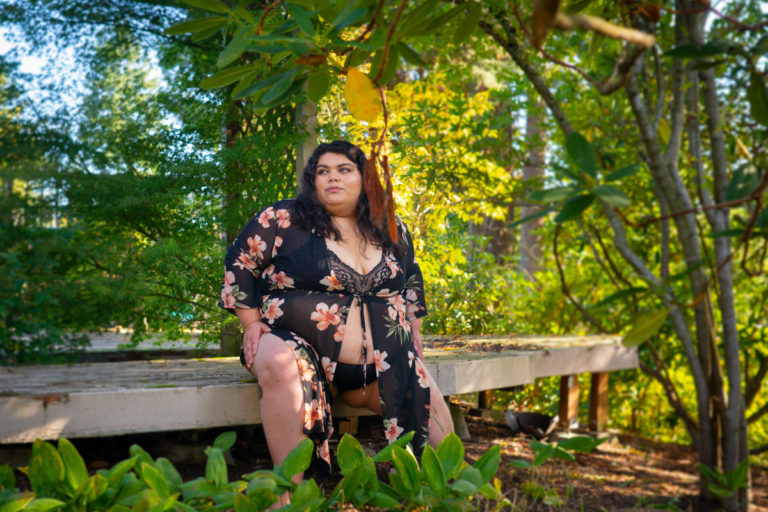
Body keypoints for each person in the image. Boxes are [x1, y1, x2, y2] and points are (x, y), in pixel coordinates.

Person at [218, 140, 453, 481]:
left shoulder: (390, 227)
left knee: (444, 447)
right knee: (277, 361)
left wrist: (413, 329)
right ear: (312, 181)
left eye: (344, 170)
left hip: (378, 367)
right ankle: (288, 495)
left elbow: (410, 277)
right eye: (322, 171)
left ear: (364, 180)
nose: (332, 178)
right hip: (293, 347)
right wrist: (251, 322)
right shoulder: (285, 220)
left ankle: (441, 494)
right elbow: (240, 260)